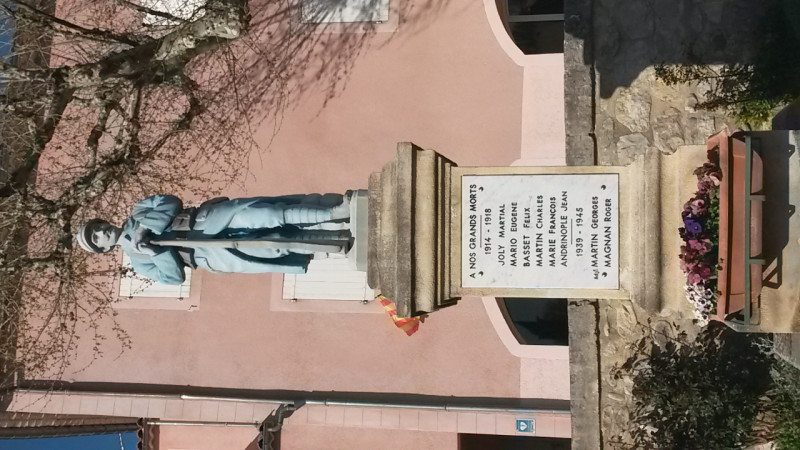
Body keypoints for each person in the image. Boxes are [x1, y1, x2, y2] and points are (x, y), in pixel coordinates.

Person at [76, 193, 353, 285]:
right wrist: (154, 253)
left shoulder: (139, 211)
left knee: (267, 214)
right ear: (103, 249)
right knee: (277, 246)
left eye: (97, 227)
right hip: (208, 254)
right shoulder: (139, 263)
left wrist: (145, 227)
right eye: (96, 239)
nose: (101, 233)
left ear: (104, 221)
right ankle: (337, 243)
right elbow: (173, 278)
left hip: (207, 220)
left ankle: (333, 213)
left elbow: (170, 201)